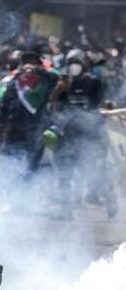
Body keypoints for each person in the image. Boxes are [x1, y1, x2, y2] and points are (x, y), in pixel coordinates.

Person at [49, 49, 107, 217]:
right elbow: (53, 108)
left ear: (84, 64)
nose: (74, 66)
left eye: (77, 62)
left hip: (87, 136)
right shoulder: (64, 83)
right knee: (64, 173)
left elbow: (99, 107)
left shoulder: (94, 83)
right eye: (71, 62)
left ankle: (105, 195)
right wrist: (58, 91)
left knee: (89, 171)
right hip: (66, 134)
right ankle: (65, 209)